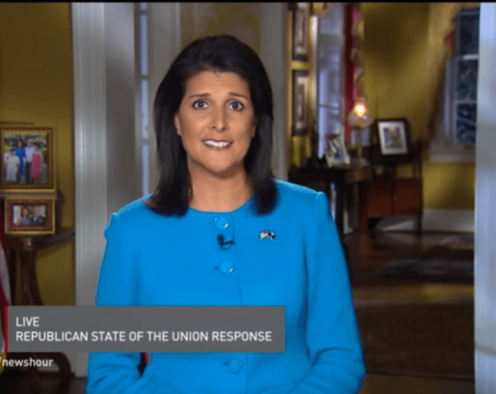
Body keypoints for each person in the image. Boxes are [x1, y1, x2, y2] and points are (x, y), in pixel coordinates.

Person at [87, 35, 365, 394]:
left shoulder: (307, 217)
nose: (219, 123)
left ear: (255, 123)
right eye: (200, 104)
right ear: (175, 119)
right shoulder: (130, 231)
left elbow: (340, 356)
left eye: (235, 105)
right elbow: (109, 375)